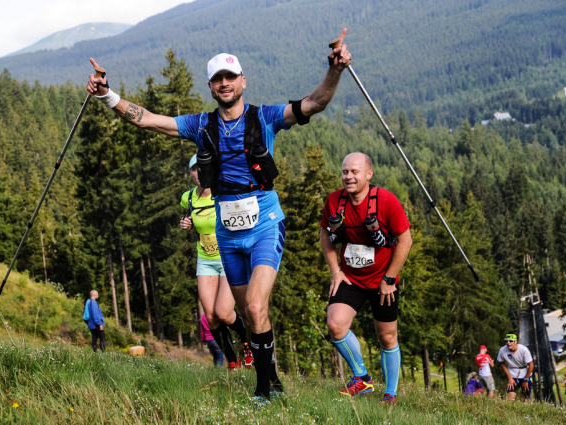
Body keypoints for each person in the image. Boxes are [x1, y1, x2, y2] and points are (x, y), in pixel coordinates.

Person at [87, 29, 353, 402]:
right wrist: (107, 95)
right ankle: (272, 377)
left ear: (243, 81)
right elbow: (147, 119)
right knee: (247, 313)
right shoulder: (201, 126)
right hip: (227, 229)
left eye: (231, 77)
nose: (225, 84)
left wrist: (335, 71)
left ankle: (263, 390)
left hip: (263, 222)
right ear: (211, 87)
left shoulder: (266, 118)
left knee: (257, 305)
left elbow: (313, 103)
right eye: (218, 79)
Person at [320, 153, 412, 406]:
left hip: (383, 279)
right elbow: (325, 236)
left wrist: (390, 278)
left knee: (387, 337)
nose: (348, 176)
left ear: (368, 174)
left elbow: (405, 240)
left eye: (354, 172)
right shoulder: (334, 201)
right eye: (345, 171)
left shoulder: (386, 201)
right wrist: (335, 271)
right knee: (335, 324)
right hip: (351, 278)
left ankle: (390, 394)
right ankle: (362, 378)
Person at [181, 154, 253, 371]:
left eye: (203, 168)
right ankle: (232, 362)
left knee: (224, 313)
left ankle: (247, 342)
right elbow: (189, 216)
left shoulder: (224, 193)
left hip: (227, 257)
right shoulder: (188, 198)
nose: (199, 173)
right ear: (191, 173)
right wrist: (186, 223)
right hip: (205, 259)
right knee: (211, 317)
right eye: (195, 169)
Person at [497, 333, 534, 402]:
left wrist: (526, 380)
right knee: (510, 398)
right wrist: (509, 378)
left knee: (526, 398)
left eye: (510, 341)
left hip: (524, 373)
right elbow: (501, 362)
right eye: (506, 341)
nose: (508, 343)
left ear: (515, 341)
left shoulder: (524, 350)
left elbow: (531, 365)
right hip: (512, 373)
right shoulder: (502, 350)